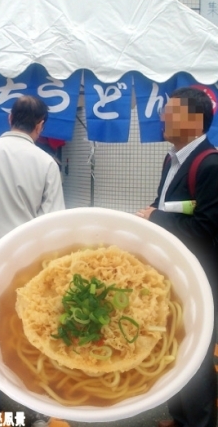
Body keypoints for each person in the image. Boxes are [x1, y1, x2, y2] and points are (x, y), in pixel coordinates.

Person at [0, 94, 65, 414]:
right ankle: (35, 410)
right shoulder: (46, 162)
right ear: (40, 125)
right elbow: (52, 223)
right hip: (27, 259)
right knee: (33, 329)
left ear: (9, 119)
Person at [136, 86, 218, 427]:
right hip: (175, 272)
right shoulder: (172, 158)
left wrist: (154, 218)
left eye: (172, 111)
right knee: (175, 343)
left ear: (196, 121)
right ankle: (179, 414)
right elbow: (164, 205)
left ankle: (197, 422)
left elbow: (206, 228)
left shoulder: (211, 165)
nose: (163, 116)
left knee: (195, 354)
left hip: (204, 278)